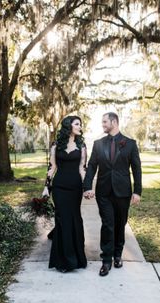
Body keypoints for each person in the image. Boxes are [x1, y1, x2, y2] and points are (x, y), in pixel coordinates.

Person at [83, 112, 142, 276]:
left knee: (120, 224)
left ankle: (118, 255)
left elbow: (136, 168)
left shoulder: (130, 144)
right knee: (108, 224)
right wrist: (87, 186)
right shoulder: (98, 144)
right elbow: (92, 166)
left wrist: (137, 191)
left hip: (123, 192)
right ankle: (106, 260)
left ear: (114, 122)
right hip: (104, 192)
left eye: (104, 122)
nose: (102, 125)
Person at [42, 116, 87, 273]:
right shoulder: (56, 145)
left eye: (80, 124)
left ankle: (77, 258)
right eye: (77, 124)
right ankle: (62, 261)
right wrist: (46, 187)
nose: (79, 126)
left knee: (74, 218)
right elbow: (52, 167)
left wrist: (87, 187)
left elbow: (83, 168)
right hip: (59, 187)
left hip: (75, 188)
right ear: (69, 126)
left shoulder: (81, 145)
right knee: (62, 220)